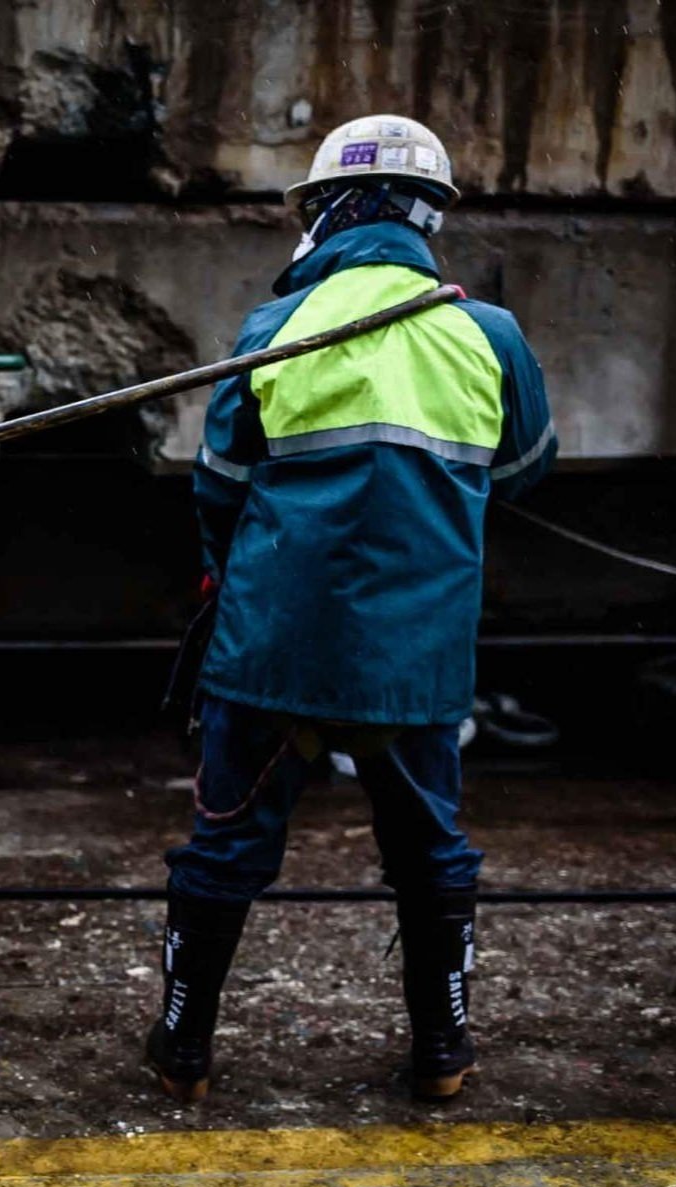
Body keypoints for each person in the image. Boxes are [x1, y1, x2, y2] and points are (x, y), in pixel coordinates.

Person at [148, 114, 554, 1106]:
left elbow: (218, 489)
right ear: (430, 216)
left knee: (227, 839)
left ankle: (182, 1051)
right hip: (413, 658)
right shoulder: (488, 335)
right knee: (428, 848)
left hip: (270, 650)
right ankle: (444, 1054)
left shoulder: (273, 328)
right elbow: (530, 470)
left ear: (323, 214)